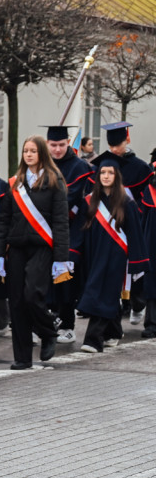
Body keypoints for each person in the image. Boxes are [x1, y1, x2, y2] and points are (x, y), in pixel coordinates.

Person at [0, 136, 69, 369]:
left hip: (42, 247)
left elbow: (60, 222)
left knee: (32, 295)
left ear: (42, 154)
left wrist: (61, 258)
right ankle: (22, 357)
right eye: (25, 151)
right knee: (16, 302)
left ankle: (48, 332)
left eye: (33, 151)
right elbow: (4, 220)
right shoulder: (14, 183)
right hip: (17, 247)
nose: (28, 155)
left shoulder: (54, 181)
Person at [77, 152, 148, 352]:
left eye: (110, 172)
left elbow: (135, 234)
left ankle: (92, 340)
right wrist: (74, 253)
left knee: (102, 293)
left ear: (117, 176)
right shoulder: (90, 201)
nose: (106, 176)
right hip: (94, 255)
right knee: (106, 294)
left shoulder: (127, 203)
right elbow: (80, 230)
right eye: (103, 172)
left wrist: (137, 262)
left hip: (116, 257)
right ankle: (113, 331)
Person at [96, 123, 155, 332]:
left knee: (136, 269)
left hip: (133, 224)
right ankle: (115, 314)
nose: (114, 149)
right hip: (108, 225)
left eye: (118, 144)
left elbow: (146, 197)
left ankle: (137, 302)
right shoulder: (105, 164)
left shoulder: (140, 168)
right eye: (111, 145)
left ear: (127, 140)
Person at [45, 125, 94, 343]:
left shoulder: (81, 167)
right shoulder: (42, 165)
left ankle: (67, 323)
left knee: (66, 277)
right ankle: (47, 318)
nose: (57, 150)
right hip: (44, 230)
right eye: (53, 145)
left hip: (72, 231)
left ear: (68, 143)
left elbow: (75, 199)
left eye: (61, 145)